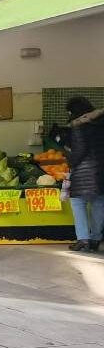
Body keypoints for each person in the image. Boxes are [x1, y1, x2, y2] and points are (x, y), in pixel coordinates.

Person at [65, 96, 104, 252]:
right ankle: (95, 239)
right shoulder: (101, 124)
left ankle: (83, 239)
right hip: (101, 172)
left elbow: (79, 151)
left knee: (78, 203)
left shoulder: (78, 127)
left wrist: (69, 159)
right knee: (99, 204)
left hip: (83, 173)